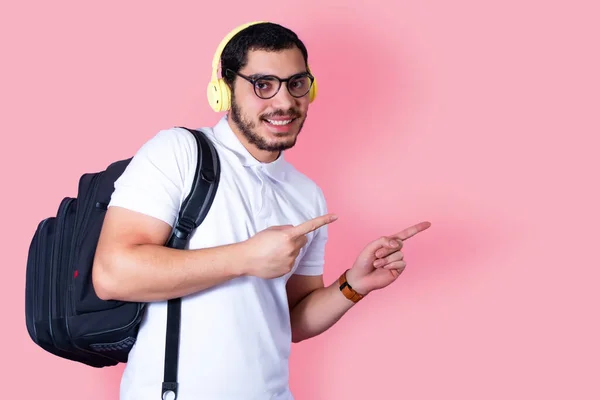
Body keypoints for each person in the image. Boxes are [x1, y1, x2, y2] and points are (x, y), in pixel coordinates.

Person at [92, 21, 430, 400]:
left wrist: (352, 285)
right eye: (263, 85)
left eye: (296, 83)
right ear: (223, 90)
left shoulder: (306, 193)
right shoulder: (178, 152)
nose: (284, 102)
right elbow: (112, 274)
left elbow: (288, 319)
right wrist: (246, 257)